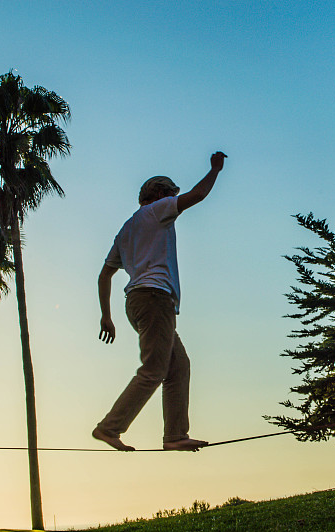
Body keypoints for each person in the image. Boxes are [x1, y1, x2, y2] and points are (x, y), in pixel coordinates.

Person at [92, 151, 227, 451]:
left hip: (138, 302)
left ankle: (175, 435)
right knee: (154, 369)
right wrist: (215, 170)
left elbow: (104, 275)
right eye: (170, 194)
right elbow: (198, 195)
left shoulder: (126, 229)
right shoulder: (156, 211)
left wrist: (107, 316)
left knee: (178, 366)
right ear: (159, 194)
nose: (173, 199)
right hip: (154, 298)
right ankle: (109, 427)